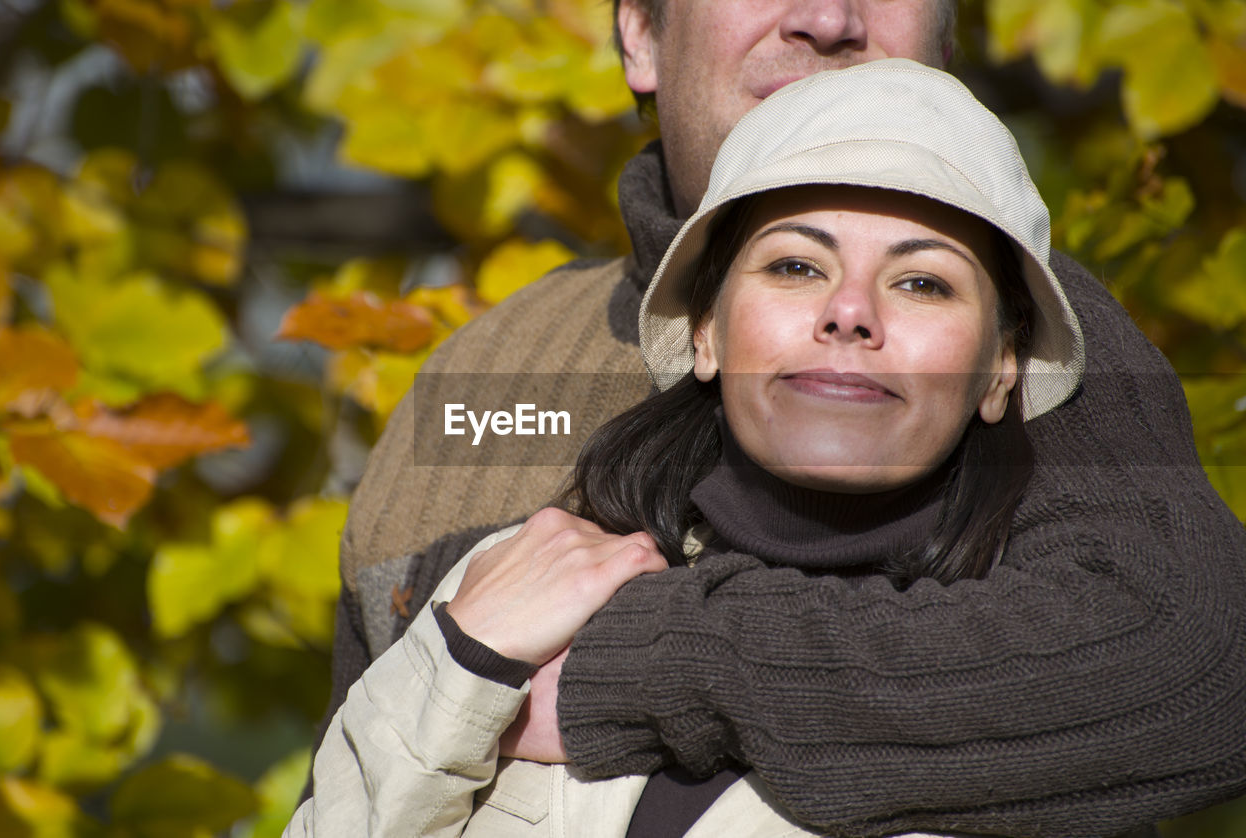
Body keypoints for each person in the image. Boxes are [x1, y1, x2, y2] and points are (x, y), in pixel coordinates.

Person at [315, 0, 1246, 834]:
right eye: (794, 265)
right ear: (641, 33)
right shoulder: (488, 371)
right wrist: (460, 650)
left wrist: (638, 660)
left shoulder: (1029, 340)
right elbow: (359, 752)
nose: (830, 17)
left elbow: (1191, 660)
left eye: (921, 279)